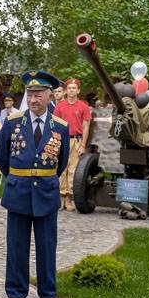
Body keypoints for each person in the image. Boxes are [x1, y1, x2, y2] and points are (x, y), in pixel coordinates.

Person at [0, 70, 69, 298]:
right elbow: (2, 158)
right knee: (16, 245)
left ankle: (48, 292)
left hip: (46, 193)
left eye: (38, 94)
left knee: (47, 245)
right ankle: (16, 291)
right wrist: (18, 178)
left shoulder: (60, 127)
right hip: (18, 192)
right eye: (30, 94)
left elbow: (63, 161)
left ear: (50, 96)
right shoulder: (13, 122)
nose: (33, 99)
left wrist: (44, 178)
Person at [53, 78, 92, 211]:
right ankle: (60, 197)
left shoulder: (83, 106)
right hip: (62, 140)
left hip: (76, 140)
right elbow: (55, 125)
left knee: (73, 169)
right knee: (61, 168)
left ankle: (69, 197)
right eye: (69, 88)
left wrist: (83, 145)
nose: (71, 90)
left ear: (78, 90)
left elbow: (86, 126)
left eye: (74, 88)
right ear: (65, 91)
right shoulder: (60, 106)